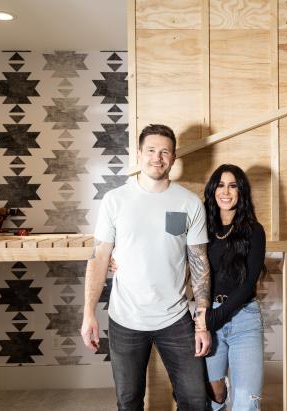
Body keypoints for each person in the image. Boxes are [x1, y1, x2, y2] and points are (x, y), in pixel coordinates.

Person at [81, 124, 212, 411]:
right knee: (128, 402)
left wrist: (201, 324)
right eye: (151, 150)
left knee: (195, 400)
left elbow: (200, 264)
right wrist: (88, 312)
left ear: (174, 158)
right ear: (139, 154)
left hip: (176, 319)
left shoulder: (189, 204)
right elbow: (99, 256)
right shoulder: (115, 200)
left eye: (165, 151)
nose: (157, 157)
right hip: (125, 319)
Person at [199, 164, 266, 410]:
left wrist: (215, 317)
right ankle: (220, 391)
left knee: (247, 402)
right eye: (220, 184)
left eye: (233, 185)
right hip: (207, 315)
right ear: (212, 190)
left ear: (241, 192)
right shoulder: (201, 227)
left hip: (243, 318)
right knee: (213, 396)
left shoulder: (254, 231)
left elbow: (248, 285)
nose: (226, 191)